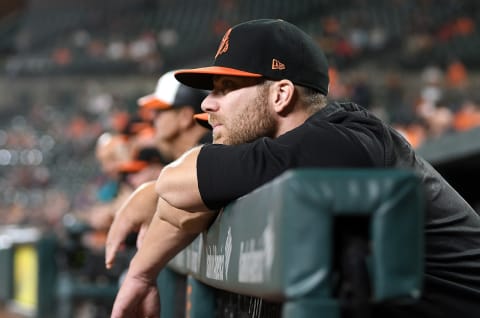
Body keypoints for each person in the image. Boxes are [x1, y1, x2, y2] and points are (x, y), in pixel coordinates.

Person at [107, 19, 480, 318]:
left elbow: (180, 184)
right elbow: (186, 203)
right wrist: (142, 275)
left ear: (281, 94)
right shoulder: (282, 150)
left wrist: (153, 191)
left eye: (224, 88)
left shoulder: (340, 141)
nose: (207, 104)